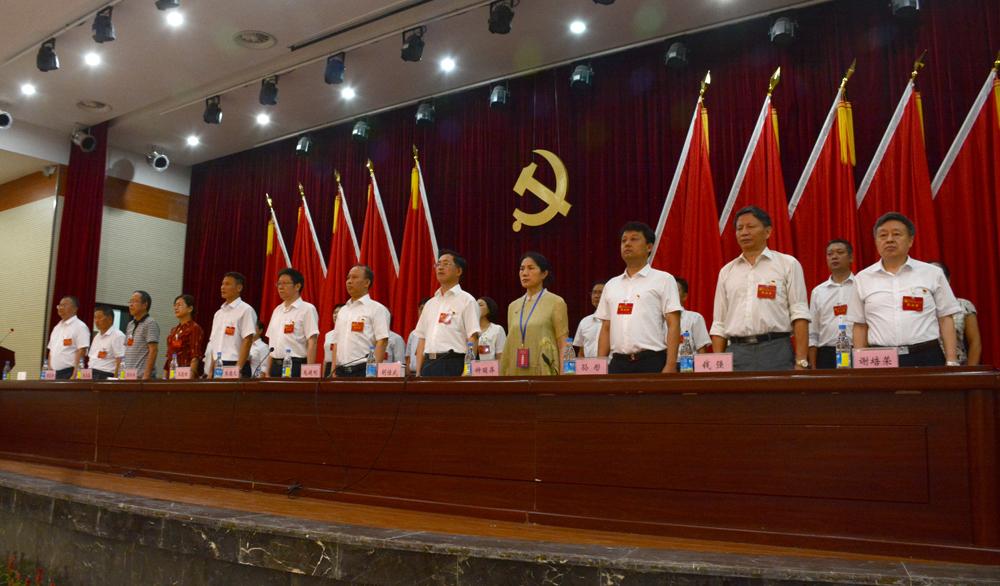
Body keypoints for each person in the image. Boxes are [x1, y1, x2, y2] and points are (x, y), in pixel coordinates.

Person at [846, 213, 961, 367]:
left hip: (926, 355)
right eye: (883, 235)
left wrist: (951, 360)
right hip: (881, 357)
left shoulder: (932, 273)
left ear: (910, 240)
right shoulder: (862, 278)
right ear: (876, 241)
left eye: (896, 234)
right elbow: (860, 325)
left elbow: (945, 318)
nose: (889, 239)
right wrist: (860, 365)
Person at [710, 206, 810, 371]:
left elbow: (799, 314)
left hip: (776, 349)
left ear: (768, 232)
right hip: (736, 352)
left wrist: (801, 361)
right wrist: (718, 365)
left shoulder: (787, 264)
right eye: (739, 228)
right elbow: (719, 323)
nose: (744, 232)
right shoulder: (727, 271)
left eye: (750, 227)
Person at [597, 222, 682, 374]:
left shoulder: (663, 279)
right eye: (624, 240)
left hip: (651, 361)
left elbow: (673, 323)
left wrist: (671, 364)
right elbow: (606, 328)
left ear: (649, 247)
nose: (627, 244)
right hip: (617, 364)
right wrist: (599, 366)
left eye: (634, 239)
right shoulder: (611, 284)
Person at [500, 253, 569, 375]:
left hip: (544, 371)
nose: (525, 273)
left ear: (544, 274)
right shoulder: (513, 306)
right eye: (522, 269)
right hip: (516, 371)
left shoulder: (556, 302)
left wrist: (565, 375)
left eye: (531, 268)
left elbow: (563, 343)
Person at [414, 250, 480, 377]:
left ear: (458, 271)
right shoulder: (430, 304)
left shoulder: (467, 300)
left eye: (446, 264)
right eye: (438, 264)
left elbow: (473, 337)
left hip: (452, 363)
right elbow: (422, 339)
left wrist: (467, 370)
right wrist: (418, 372)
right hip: (428, 364)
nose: (440, 267)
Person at [331, 265, 390, 377]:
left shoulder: (377, 309)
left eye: (354, 277)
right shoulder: (343, 311)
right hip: (340, 370)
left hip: (364, 370)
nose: (349, 281)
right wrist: (333, 371)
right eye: (348, 278)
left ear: (366, 283)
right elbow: (336, 343)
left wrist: (373, 372)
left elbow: (382, 341)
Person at [808, 240, 856, 369]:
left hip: (856, 351)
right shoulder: (818, 292)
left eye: (840, 252)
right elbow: (813, 332)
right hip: (826, 353)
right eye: (830, 254)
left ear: (851, 257)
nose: (834, 256)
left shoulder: (861, 286)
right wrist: (812, 365)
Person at [265, 267, 320, 378]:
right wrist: (267, 370)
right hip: (275, 367)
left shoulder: (307, 309)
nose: (280, 287)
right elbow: (272, 344)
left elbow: (312, 341)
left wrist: (309, 371)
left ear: (297, 286)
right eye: (279, 283)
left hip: (295, 365)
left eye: (285, 283)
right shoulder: (277, 310)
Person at [206, 272, 257, 378]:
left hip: (235, 363)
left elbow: (247, 340)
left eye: (227, 284)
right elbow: (215, 344)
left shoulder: (246, 310)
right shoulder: (218, 314)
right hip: (218, 365)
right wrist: (210, 371)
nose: (222, 287)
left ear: (239, 288)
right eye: (222, 284)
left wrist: (238, 368)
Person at [931, 261, 981, 366]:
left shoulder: (964, 305)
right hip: (926, 365)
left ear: (948, 280)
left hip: (957, 366)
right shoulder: (916, 307)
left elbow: (974, 342)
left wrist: (970, 371)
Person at [46, 296, 90, 379]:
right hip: (53, 373)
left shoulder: (80, 327)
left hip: (69, 372)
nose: (60, 308)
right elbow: (51, 351)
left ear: (75, 309)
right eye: (59, 305)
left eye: (64, 305)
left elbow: (82, 351)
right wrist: (49, 372)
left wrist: (75, 375)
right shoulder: (57, 327)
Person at [164, 294, 204, 378]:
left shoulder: (194, 328)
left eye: (179, 305)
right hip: (171, 375)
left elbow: (195, 356)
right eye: (175, 305)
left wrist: (189, 379)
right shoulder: (174, 330)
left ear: (190, 309)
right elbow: (169, 356)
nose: (176, 308)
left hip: (184, 374)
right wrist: (164, 377)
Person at [124, 290, 160, 380]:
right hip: (128, 376)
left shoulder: (150, 323)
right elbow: (127, 349)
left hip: (141, 377)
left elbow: (153, 350)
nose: (131, 305)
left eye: (135, 301)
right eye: (130, 301)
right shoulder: (130, 324)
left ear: (145, 305)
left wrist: (146, 376)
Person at [88, 304, 124, 380]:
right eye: (95, 318)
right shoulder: (97, 336)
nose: (96, 321)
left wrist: (115, 380)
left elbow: (120, 360)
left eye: (99, 317)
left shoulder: (118, 335)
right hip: (91, 373)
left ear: (110, 319)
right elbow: (92, 358)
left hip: (105, 375)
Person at [675, 277, 711, 353]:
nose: (671, 294)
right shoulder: (658, 319)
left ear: (684, 296)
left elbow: (702, 351)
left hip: (687, 360)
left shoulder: (695, 318)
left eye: (675, 290)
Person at [572, 281, 604, 358]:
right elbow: (581, 353)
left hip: (611, 365)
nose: (596, 296)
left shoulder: (616, 320)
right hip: (589, 365)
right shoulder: (585, 322)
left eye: (600, 292)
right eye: (594, 293)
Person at [476, 296, 506, 362]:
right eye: (475, 305)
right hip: (469, 368)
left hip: (489, 367)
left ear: (489, 309)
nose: (476, 307)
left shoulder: (497, 329)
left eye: (480, 305)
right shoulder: (469, 328)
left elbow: (500, 356)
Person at [405, 297, 430, 374]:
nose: (423, 312)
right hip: (412, 374)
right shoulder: (413, 334)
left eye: (426, 309)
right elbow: (408, 357)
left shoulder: (434, 332)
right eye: (421, 309)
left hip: (427, 373)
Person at [322, 304, 345, 377]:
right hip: (328, 367)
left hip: (340, 367)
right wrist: (323, 375)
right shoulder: (328, 334)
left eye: (339, 312)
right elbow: (326, 358)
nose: (335, 315)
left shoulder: (347, 334)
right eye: (334, 312)